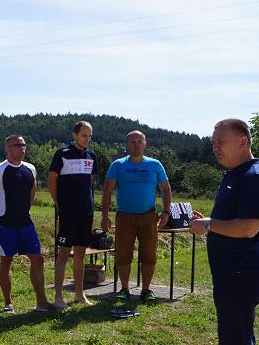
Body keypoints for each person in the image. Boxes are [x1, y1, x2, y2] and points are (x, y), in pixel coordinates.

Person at [190, 119, 259, 345]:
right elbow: (233, 221)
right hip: (233, 272)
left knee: (236, 338)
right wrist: (210, 221)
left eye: (220, 141)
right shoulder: (236, 175)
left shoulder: (254, 177)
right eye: (213, 142)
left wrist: (210, 225)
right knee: (235, 336)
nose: (215, 147)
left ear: (242, 141)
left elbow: (249, 227)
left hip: (242, 272)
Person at [0, 135, 56, 313]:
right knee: (6, 261)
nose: (22, 148)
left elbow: (32, 192)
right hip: (5, 224)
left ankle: (42, 302)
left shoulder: (30, 168)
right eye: (18, 145)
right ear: (8, 148)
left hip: (25, 223)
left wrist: (25, 210)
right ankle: (8, 303)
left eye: (24, 144)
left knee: (37, 259)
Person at [101, 131, 172, 303]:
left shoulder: (155, 165)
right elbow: (107, 191)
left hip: (148, 216)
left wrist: (166, 212)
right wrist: (105, 216)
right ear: (127, 145)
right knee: (123, 254)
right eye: (132, 142)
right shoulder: (118, 165)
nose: (136, 145)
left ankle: (146, 289)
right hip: (124, 216)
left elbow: (166, 189)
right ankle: (124, 288)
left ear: (145, 144)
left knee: (149, 254)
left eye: (140, 141)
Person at [48, 121, 98, 308]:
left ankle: (79, 295)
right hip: (68, 213)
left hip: (86, 212)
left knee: (80, 253)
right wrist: (59, 204)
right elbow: (52, 180)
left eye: (90, 135)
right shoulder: (62, 154)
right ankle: (58, 297)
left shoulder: (91, 156)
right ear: (74, 135)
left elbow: (90, 183)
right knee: (63, 253)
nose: (87, 139)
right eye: (84, 135)